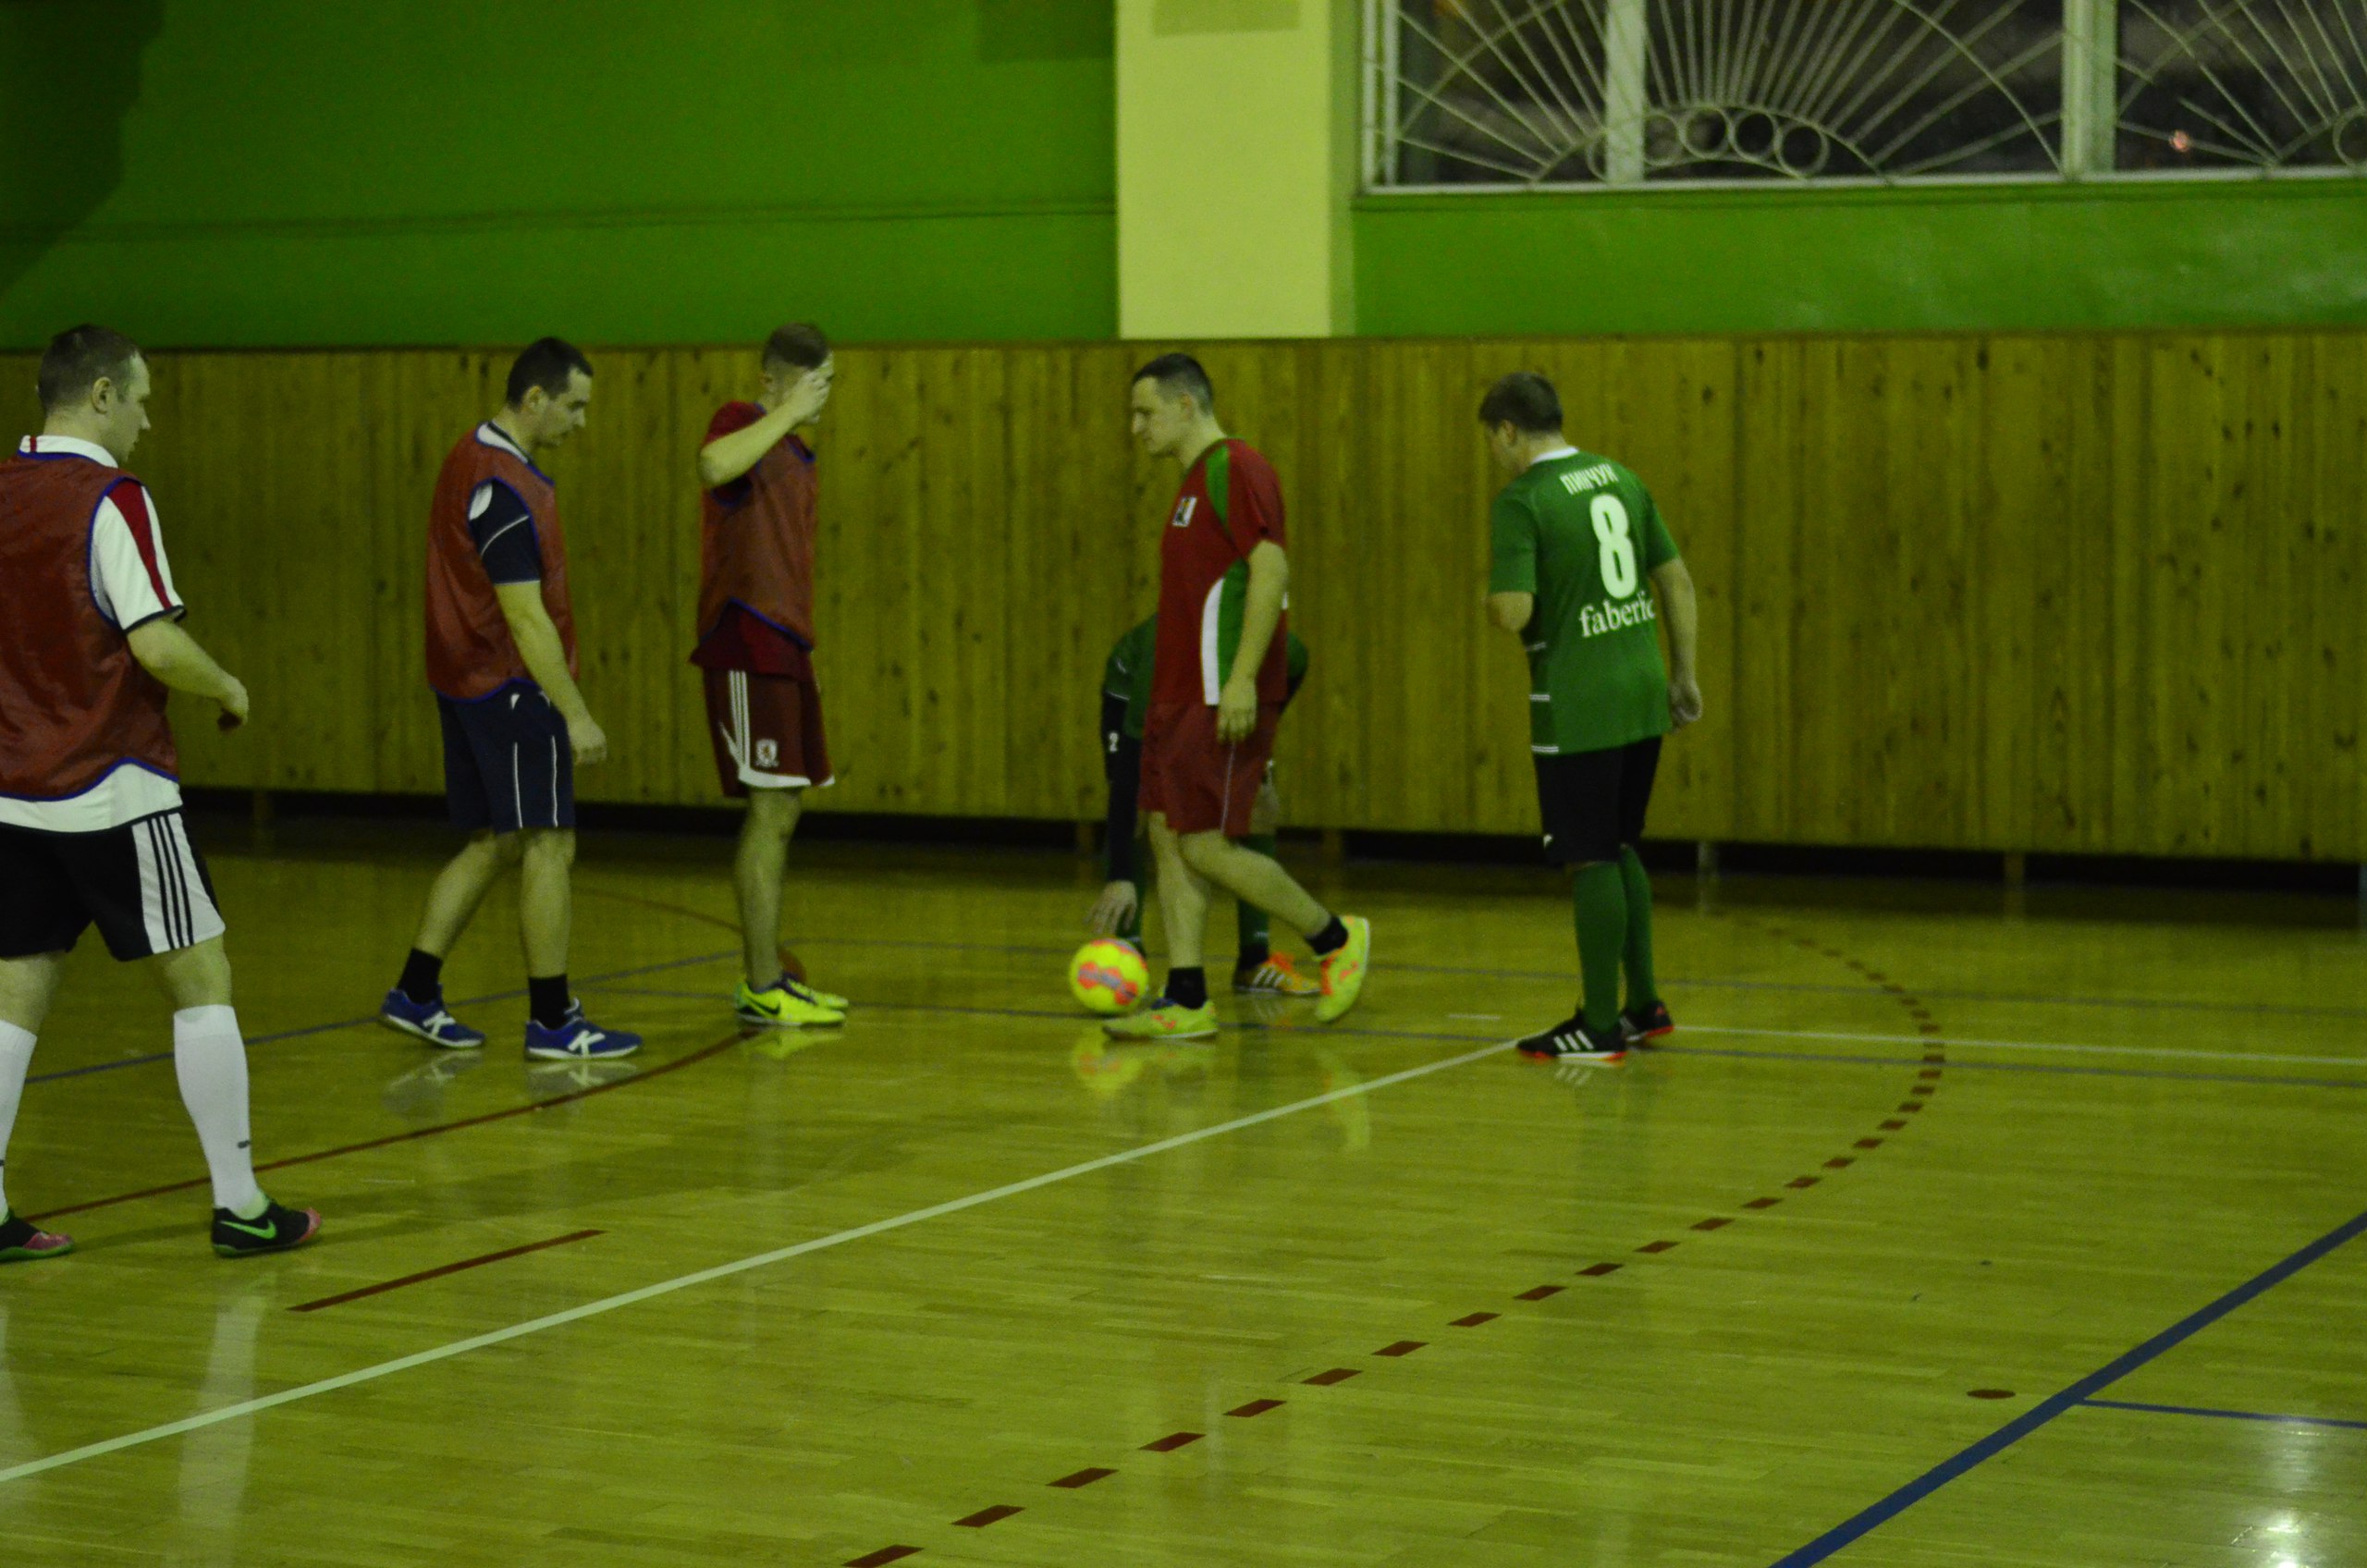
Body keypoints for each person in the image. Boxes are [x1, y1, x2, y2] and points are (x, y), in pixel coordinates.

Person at [0, 325, 320, 1262]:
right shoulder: (114, 498)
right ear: (100, 395)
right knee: (201, 979)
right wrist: (226, 685)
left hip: (13, 793)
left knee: (14, 994)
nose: (146, 419)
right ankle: (240, 1204)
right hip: (113, 783)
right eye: (139, 399)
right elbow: (153, 642)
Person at [377, 338, 640, 1061]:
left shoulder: (468, 455)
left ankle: (415, 991)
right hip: (510, 687)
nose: (581, 423)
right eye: (574, 406)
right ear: (535, 399)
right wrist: (575, 712)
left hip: (463, 679)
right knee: (551, 843)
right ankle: (553, 1020)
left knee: (495, 840)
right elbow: (525, 617)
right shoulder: (506, 490)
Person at [1105, 354, 1370, 1041]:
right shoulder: (1192, 483)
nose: (1136, 427)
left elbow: (1270, 569)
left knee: (1204, 844)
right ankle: (1187, 997)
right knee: (1168, 836)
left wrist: (1243, 678)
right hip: (1177, 693)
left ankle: (1336, 939)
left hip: (1216, 690)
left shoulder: (1237, 467)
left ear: (1186, 405)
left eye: (1145, 412)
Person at [1479, 371, 1702, 1062]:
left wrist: (1493, 598)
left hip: (1579, 700)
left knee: (1590, 856)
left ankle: (1600, 1024)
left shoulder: (1522, 501)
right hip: (1641, 688)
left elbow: (1513, 610)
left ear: (1508, 431)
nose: (1493, 455)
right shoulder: (1620, 478)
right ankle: (1645, 1004)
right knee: (1621, 844)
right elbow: (1676, 580)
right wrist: (1684, 674)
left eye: (1490, 441)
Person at [691, 324, 849, 1028]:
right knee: (768, 808)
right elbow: (711, 466)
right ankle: (761, 984)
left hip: (785, 645)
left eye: (829, 382)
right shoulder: (741, 421)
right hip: (746, 637)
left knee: (786, 808)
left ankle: (771, 979)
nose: (823, 395)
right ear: (772, 382)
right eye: (813, 381)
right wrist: (785, 413)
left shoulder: (798, 454)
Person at [1087, 614, 1318, 998]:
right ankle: (1129, 948)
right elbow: (1127, 780)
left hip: (1220, 703)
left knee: (1257, 801)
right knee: (1148, 803)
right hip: (1142, 690)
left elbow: (1271, 710)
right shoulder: (1166, 653)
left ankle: (1255, 960)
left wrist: (1253, 763)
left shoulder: (1287, 654)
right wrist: (1120, 875)